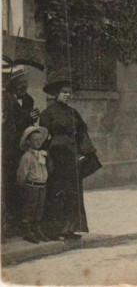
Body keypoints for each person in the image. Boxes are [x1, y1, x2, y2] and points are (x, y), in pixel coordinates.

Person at [40, 68, 100, 240]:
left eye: (69, 92)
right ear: (56, 93)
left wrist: (85, 152)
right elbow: (43, 137)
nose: (67, 95)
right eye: (64, 92)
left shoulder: (73, 112)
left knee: (73, 193)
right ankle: (55, 230)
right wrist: (46, 157)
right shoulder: (47, 113)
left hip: (72, 158)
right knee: (57, 192)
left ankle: (70, 229)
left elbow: (81, 133)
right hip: (57, 158)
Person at [2, 68, 39, 237]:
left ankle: (22, 221)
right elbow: (11, 122)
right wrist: (28, 117)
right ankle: (9, 221)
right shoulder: (5, 100)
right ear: (12, 84)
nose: (23, 86)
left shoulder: (29, 100)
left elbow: (27, 122)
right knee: (10, 183)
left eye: (25, 83)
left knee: (24, 182)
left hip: (23, 146)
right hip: (9, 148)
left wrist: (33, 118)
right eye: (20, 83)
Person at [16, 126, 51, 243]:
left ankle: (37, 229)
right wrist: (24, 187)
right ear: (29, 142)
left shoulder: (42, 155)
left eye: (40, 139)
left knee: (39, 208)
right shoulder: (27, 157)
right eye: (35, 140)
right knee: (30, 208)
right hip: (32, 186)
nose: (38, 142)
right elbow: (22, 174)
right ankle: (27, 231)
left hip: (42, 186)